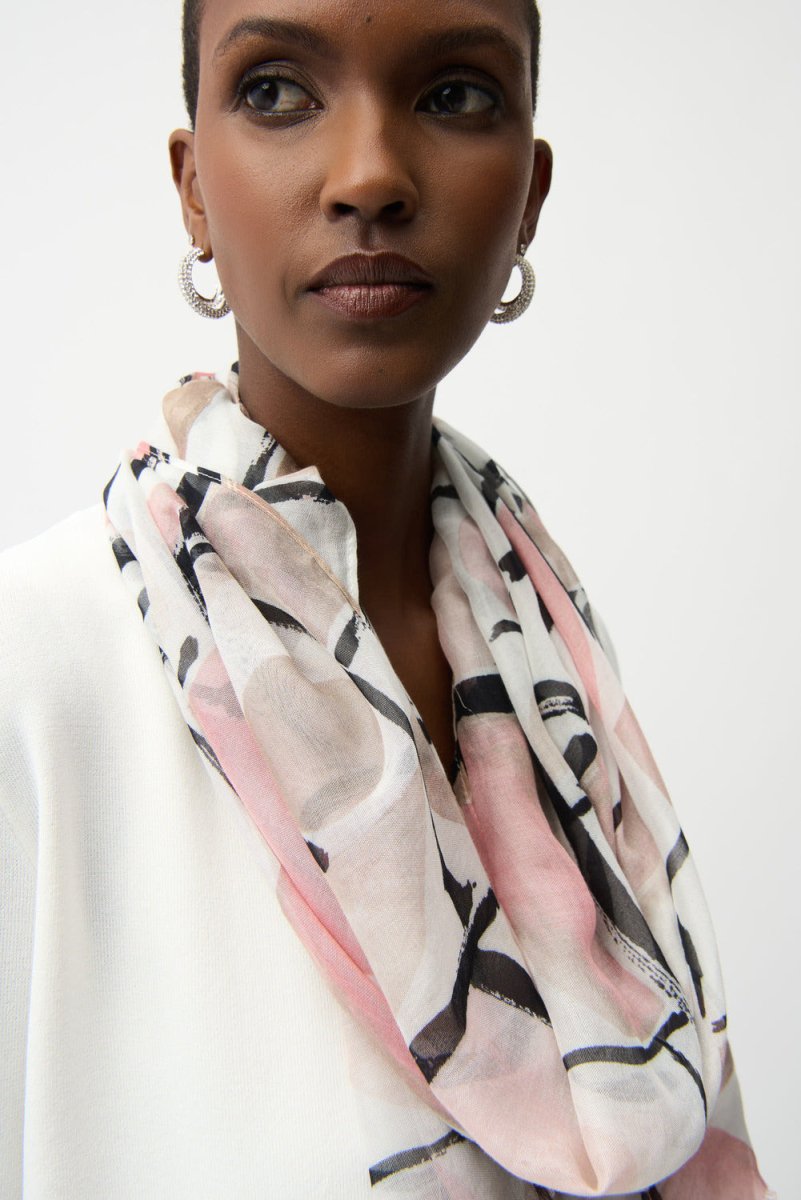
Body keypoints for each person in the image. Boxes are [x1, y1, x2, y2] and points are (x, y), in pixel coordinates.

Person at [0, 1, 773, 1197]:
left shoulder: (543, 649)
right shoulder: (36, 670)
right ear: (193, 187)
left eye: (455, 94)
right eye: (276, 91)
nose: (369, 176)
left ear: (530, 195)